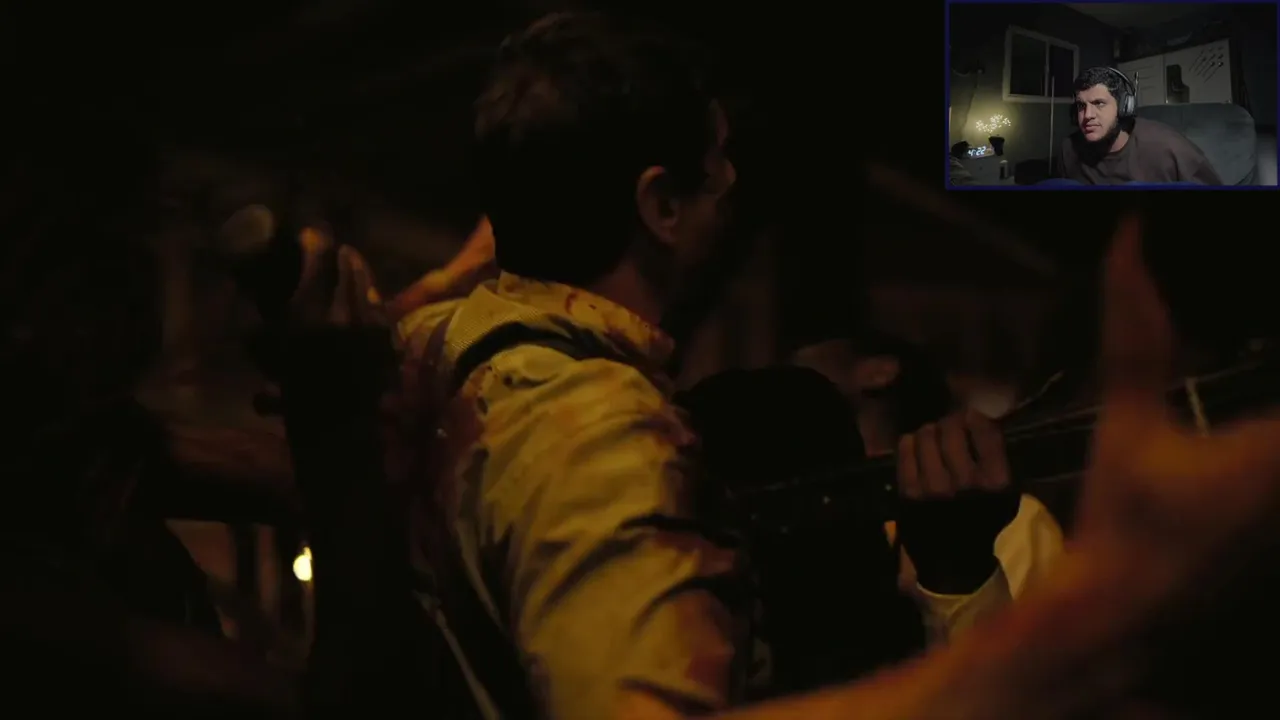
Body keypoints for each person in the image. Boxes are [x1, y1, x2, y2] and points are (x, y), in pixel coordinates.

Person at [382, 12, 1280, 720]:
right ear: (660, 204)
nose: (735, 182)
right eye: (718, 159)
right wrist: (1095, 623)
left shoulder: (429, 350)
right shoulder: (605, 447)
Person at [1054, 66, 1222, 186]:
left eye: (1099, 103)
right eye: (1081, 106)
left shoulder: (1170, 148)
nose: (1087, 115)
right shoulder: (1068, 149)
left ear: (1124, 107)